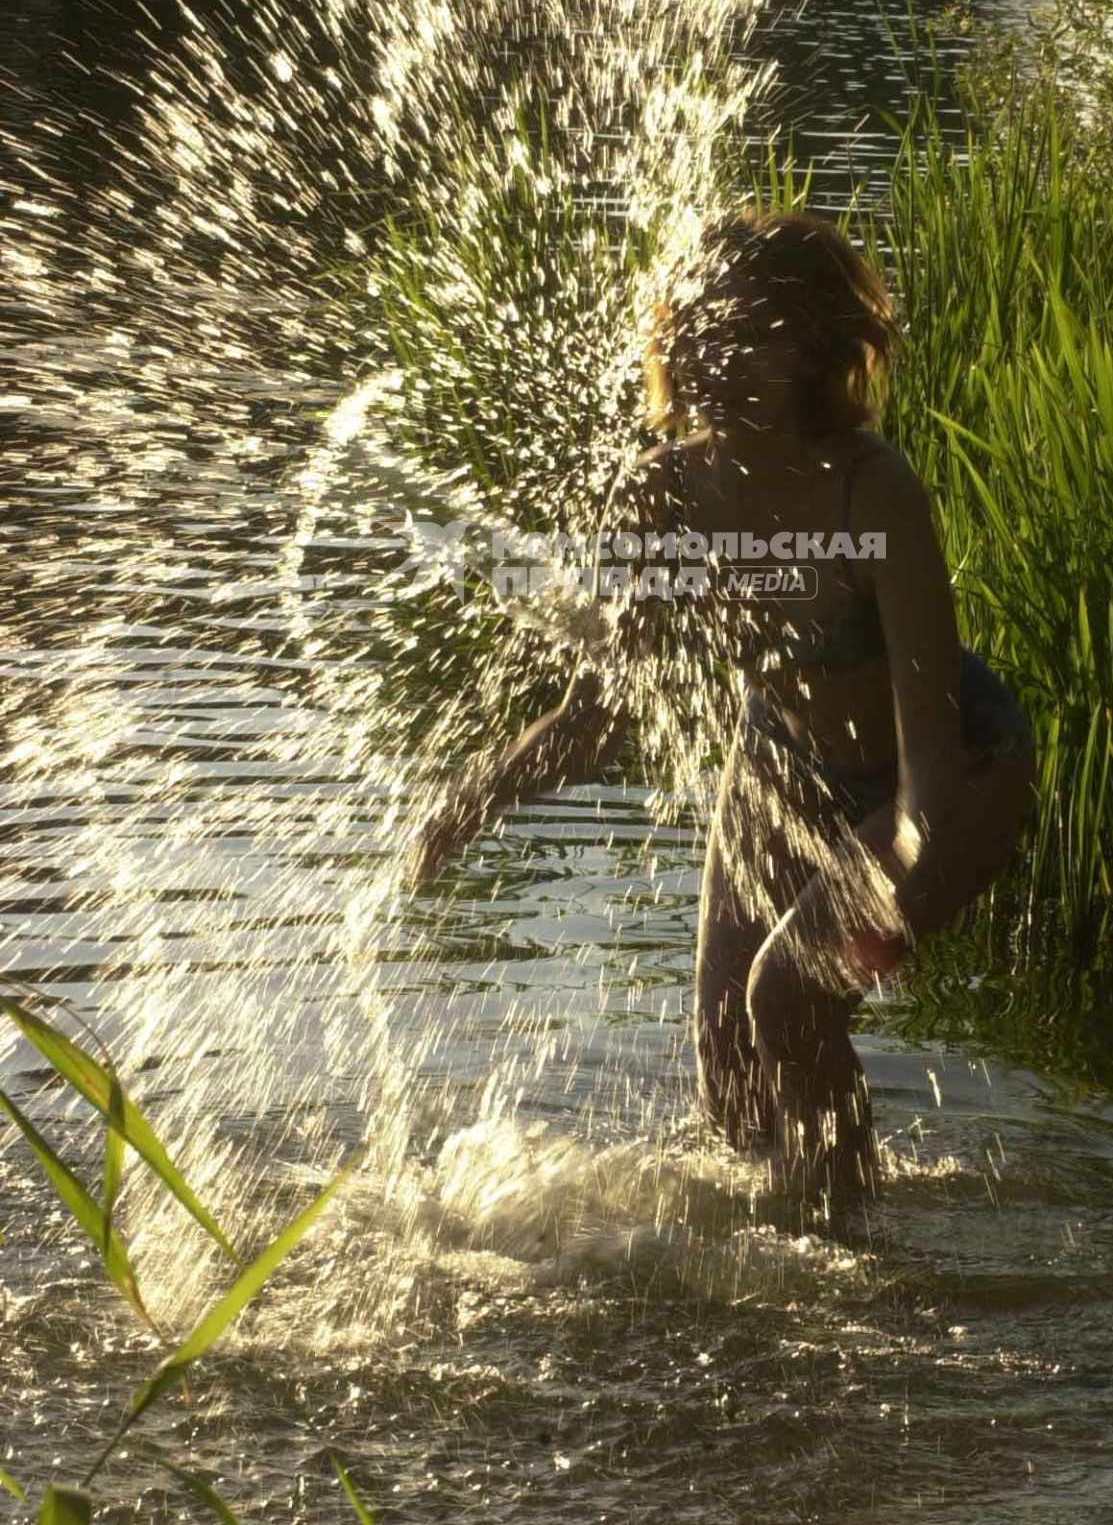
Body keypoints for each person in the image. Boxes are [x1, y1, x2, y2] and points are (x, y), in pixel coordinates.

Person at [411, 209, 1036, 1212]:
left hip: (955, 773)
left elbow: (929, 754)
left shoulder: (875, 495)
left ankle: (847, 1266)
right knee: (727, 1064)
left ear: (814, 349)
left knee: (787, 994)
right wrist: (476, 795)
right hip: (784, 761)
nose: (717, 358)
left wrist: (895, 885)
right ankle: (803, 1231)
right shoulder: (657, 496)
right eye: (698, 331)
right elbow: (596, 714)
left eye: (750, 333)